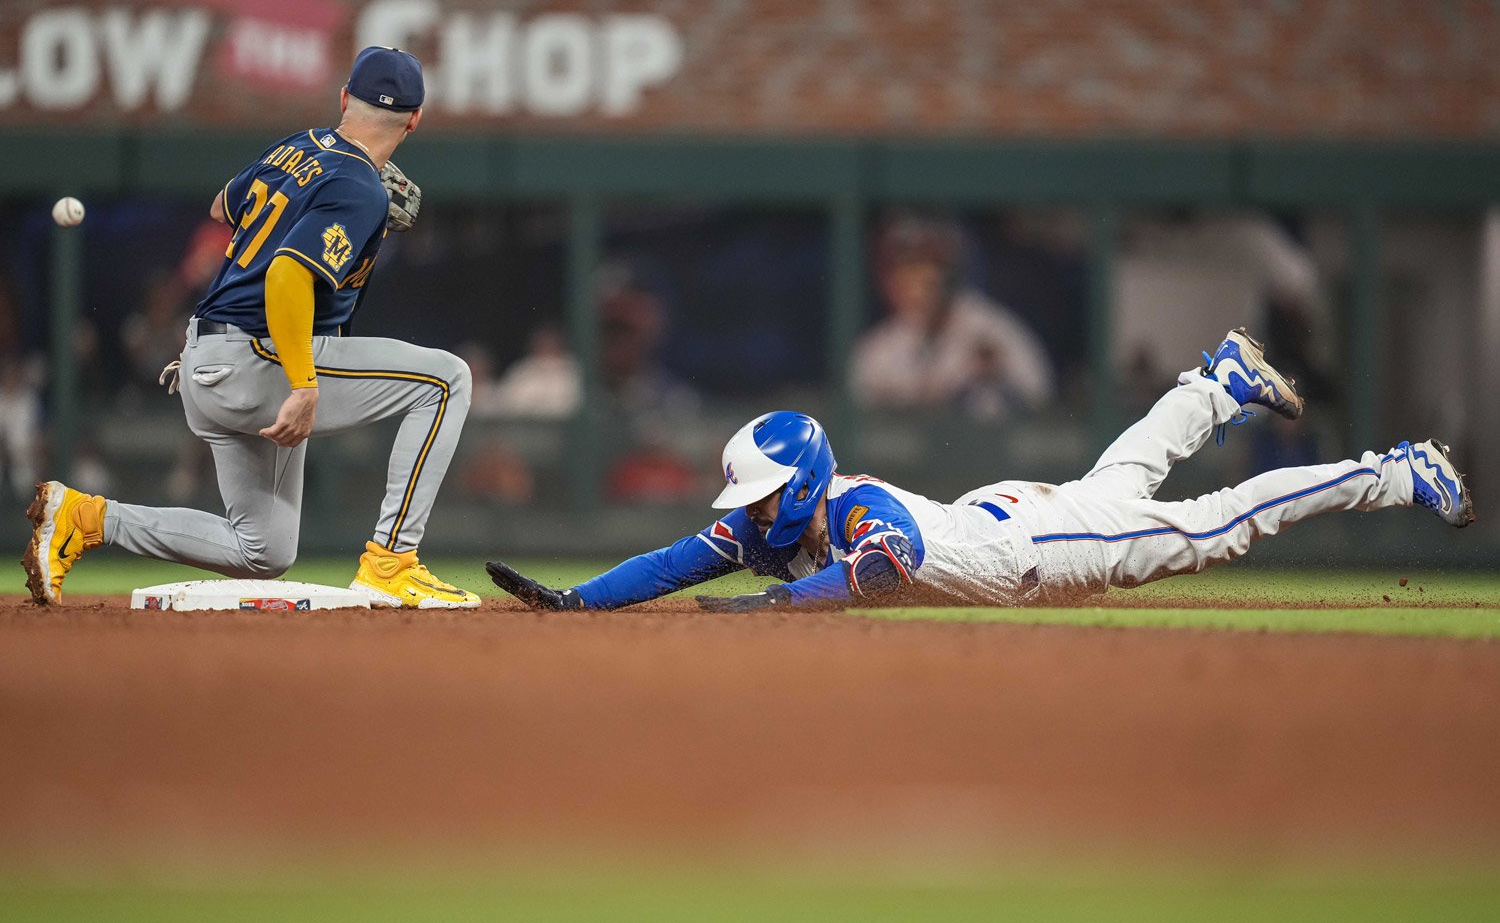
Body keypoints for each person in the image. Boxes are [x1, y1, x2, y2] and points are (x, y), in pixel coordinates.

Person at [487, 329, 1473, 611]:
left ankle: (1397, 470)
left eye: (758, 495)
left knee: (1213, 525)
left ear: (800, 484)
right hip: (995, 519)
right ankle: (1216, 384)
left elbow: (886, 561)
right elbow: (670, 560)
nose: (746, 515)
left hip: (1040, 549)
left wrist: (765, 611)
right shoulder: (762, 526)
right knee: (1126, 471)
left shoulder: (859, 507)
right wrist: (578, 602)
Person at [24, 47, 478, 609]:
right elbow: (286, 276)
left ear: (343, 99)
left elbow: (221, 208)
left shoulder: (299, 146)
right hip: (259, 358)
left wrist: (318, 197)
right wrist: (305, 384)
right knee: (446, 381)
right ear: (416, 118)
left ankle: (85, 518)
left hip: (204, 361)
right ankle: (392, 561)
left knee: (262, 551)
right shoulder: (361, 188)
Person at [850, 213, 1054, 417]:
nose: (918, 281)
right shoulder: (879, 347)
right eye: (908, 266)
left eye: (931, 265)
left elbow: (1038, 405)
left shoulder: (996, 332)